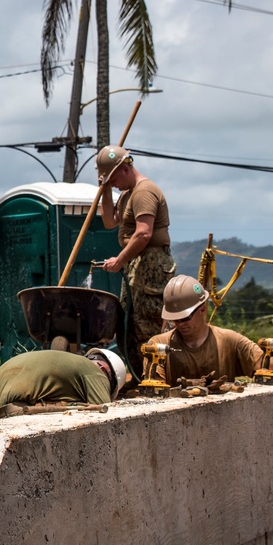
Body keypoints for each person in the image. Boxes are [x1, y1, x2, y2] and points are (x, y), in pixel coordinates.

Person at [145, 275, 273, 427]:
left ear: (202, 309)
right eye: (175, 319)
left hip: (223, 425)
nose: (179, 324)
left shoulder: (230, 341)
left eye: (185, 318)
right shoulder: (158, 346)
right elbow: (155, 398)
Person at [96, 145, 176, 376]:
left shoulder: (144, 192)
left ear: (126, 167)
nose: (113, 184)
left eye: (114, 179)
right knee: (128, 323)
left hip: (150, 263)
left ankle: (155, 376)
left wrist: (120, 260)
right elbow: (110, 221)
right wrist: (104, 190)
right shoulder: (127, 195)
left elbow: (143, 233)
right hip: (136, 264)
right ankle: (139, 375)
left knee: (147, 325)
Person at [0, 348, 127, 423]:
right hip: (3, 412)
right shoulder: (95, 371)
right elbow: (104, 415)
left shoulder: (70, 365)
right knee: (75, 410)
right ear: (103, 370)